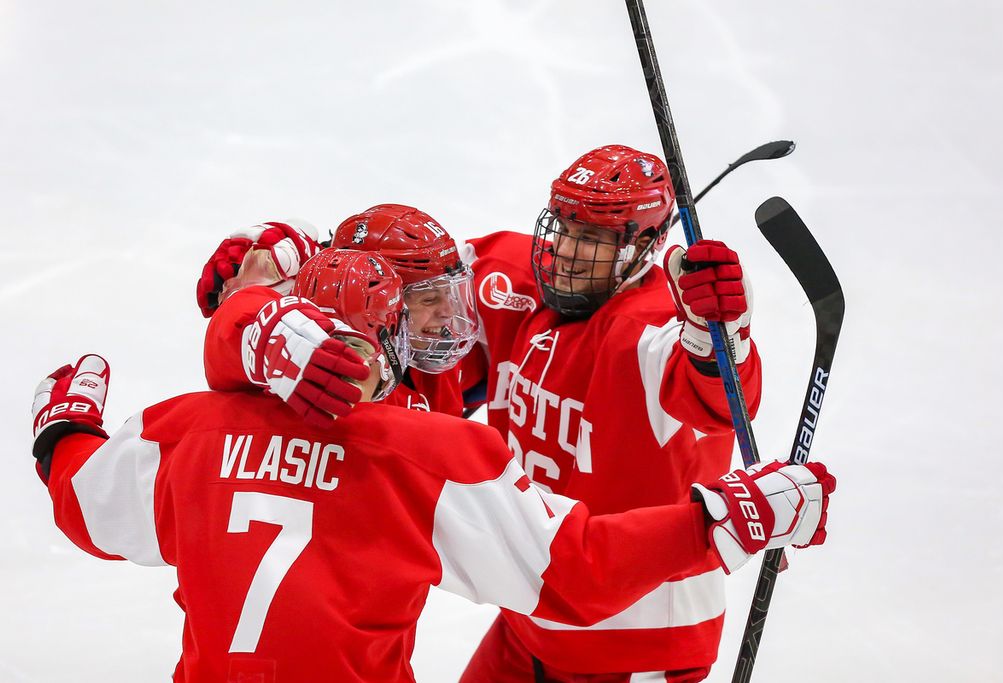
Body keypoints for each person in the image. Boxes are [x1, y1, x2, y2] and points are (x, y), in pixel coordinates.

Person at [30, 248, 834, 683]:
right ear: (386, 348)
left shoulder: (187, 432)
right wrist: (724, 519)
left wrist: (62, 428)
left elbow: (85, 506)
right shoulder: (428, 458)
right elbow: (578, 571)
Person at [197, 145, 765, 680]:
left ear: (642, 245)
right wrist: (298, 262)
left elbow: (717, 400)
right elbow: (394, 282)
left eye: (591, 237)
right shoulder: (513, 279)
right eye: (562, 226)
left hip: (633, 638)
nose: (566, 250)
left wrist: (720, 333)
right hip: (531, 613)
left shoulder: (654, 330)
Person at [197, 209, 485, 418]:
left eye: (451, 294)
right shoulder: (311, 363)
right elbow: (230, 332)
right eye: (430, 299)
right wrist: (274, 330)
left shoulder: (427, 351)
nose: (448, 314)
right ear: (385, 299)